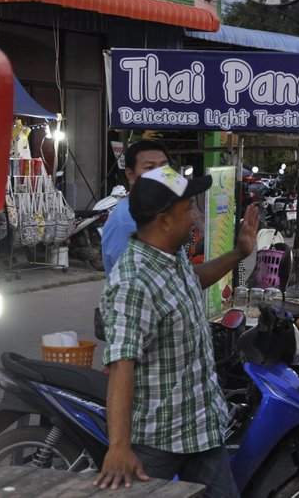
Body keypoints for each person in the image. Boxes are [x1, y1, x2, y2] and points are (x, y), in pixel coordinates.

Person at [94, 166, 259, 495]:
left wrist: (240, 252)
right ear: (164, 220)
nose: (196, 218)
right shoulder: (132, 281)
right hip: (157, 438)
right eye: (188, 210)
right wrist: (119, 446)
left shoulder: (171, 256)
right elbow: (121, 365)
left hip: (199, 426)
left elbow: (193, 280)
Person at [101, 140, 171, 275]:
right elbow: (136, 280)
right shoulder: (127, 219)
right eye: (150, 168)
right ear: (131, 175)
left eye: (164, 167)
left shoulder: (157, 209)